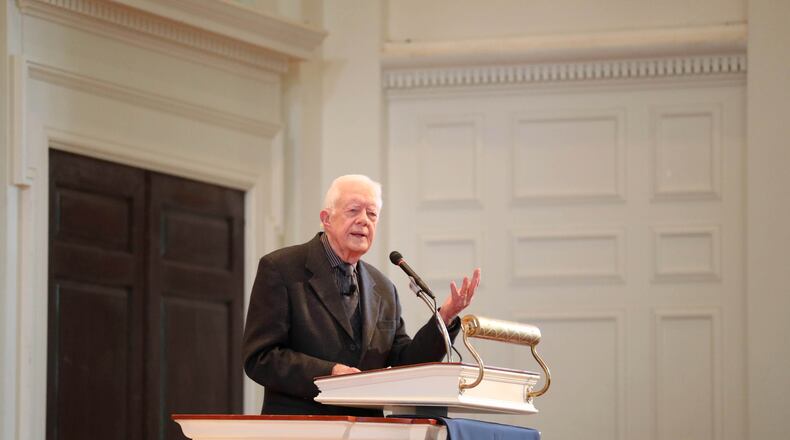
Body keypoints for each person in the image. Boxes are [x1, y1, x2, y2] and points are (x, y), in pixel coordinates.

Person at [242, 174, 481, 415]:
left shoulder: (384, 288)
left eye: (372, 214)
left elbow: (404, 363)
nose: (364, 221)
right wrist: (330, 373)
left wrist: (445, 317)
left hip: (367, 429)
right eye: (353, 210)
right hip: (301, 426)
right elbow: (261, 358)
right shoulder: (282, 268)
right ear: (326, 219)